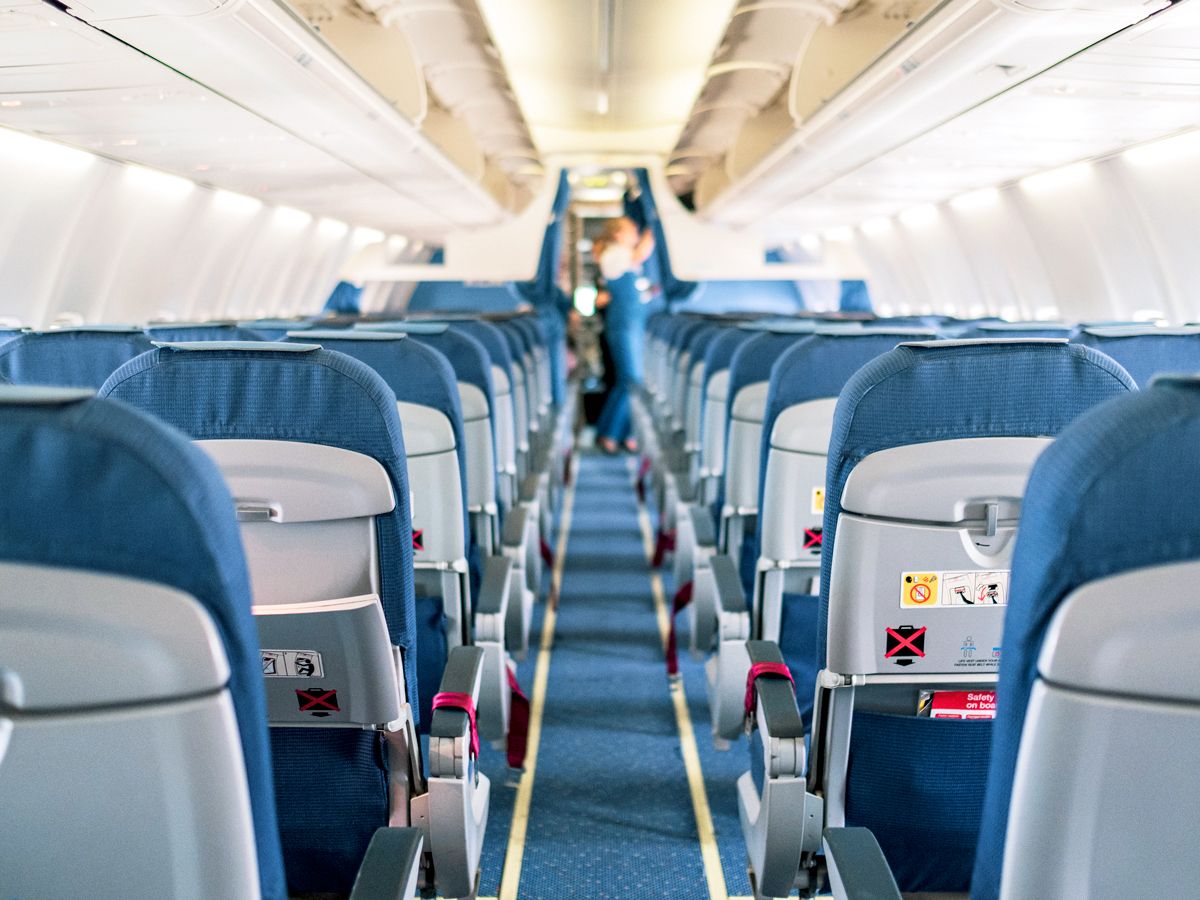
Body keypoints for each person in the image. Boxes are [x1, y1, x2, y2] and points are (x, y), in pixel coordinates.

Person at [593, 216, 655, 454]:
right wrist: (654, 224)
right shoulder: (613, 254)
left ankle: (620, 434)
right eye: (632, 231)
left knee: (629, 381)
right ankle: (611, 434)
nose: (636, 235)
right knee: (631, 379)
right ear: (618, 234)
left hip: (632, 323)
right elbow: (640, 253)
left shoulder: (621, 256)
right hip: (624, 324)